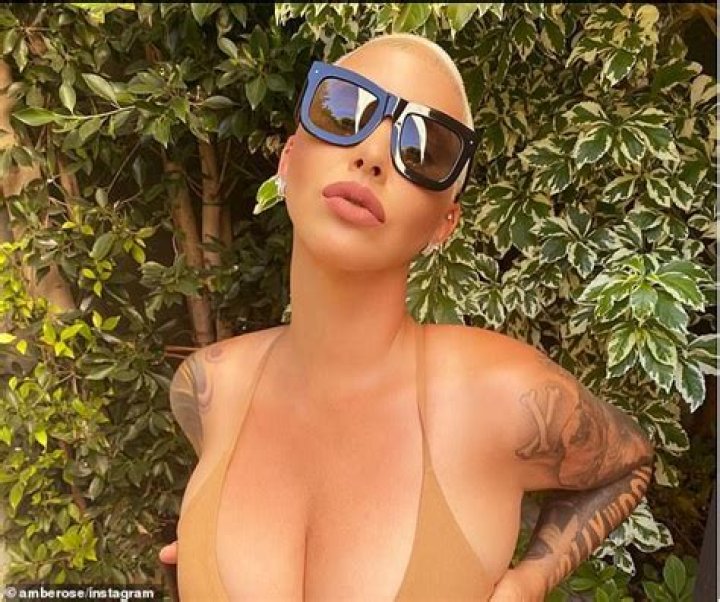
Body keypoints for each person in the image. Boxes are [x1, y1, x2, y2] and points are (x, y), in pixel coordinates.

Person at [158, 33, 654, 601]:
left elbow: (629, 464)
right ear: (288, 160)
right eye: (346, 109)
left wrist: (531, 579)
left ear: (445, 224)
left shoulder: (502, 396)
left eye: (423, 149)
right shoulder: (206, 387)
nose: (372, 153)